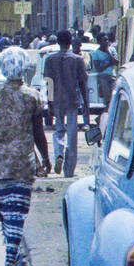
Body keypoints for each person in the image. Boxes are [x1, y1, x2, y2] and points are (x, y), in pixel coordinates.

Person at [0, 47, 51, 266]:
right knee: (16, 219)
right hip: (22, 166)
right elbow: (39, 134)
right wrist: (47, 158)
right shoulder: (33, 96)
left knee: (9, 221)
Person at [43, 30, 89, 176]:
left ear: (58, 42)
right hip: (72, 100)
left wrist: (50, 103)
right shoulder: (77, 59)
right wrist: (86, 103)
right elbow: (82, 82)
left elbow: (49, 82)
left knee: (58, 130)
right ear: (70, 42)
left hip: (56, 100)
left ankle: (58, 154)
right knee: (72, 134)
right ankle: (69, 169)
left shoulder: (50, 60)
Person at [89, 32, 118, 114]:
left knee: (114, 97)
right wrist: (109, 63)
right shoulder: (96, 53)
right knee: (108, 99)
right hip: (103, 77)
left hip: (112, 75)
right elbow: (98, 68)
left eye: (107, 40)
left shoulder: (112, 50)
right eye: (104, 40)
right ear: (99, 42)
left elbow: (116, 62)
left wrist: (108, 53)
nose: (106, 42)